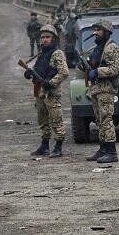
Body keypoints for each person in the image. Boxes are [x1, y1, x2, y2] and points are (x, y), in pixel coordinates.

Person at [24, 24, 69, 158]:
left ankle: (58, 146)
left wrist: (50, 83)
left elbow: (64, 72)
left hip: (51, 93)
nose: (44, 40)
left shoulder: (57, 53)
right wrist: (29, 73)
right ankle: (44, 145)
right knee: (42, 120)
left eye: (47, 37)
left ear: (53, 38)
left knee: (56, 119)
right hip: (40, 92)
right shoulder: (42, 53)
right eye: (42, 37)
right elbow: (38, 70)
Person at [82, 18, 119, 163]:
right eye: (95, 30)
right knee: (99, 121)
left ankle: (111, 152)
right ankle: (103, 149)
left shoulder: (111, 47)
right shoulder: (98, 48)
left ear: (106, 32)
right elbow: (94, 64)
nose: (95, 33)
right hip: (96, 89)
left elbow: (115, 68)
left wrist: (97, 72)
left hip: (105, 89)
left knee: (106, 120)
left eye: (98, 30)